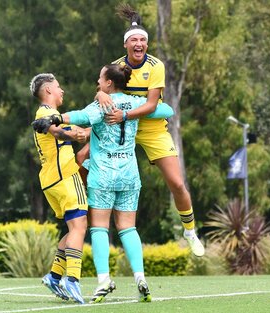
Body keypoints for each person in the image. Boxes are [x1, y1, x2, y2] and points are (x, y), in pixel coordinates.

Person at [33, 64, 174, 303]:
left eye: (100, 79)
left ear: (108, 82)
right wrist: (130, 114)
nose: (97, 83)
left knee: (97, 228)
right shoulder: (135, 103)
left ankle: (101, 280)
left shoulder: (101, 105)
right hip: (129, 174)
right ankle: (140, 277)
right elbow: (166, 109)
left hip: (102, 176)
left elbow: (81, 116)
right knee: (128, 229)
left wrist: (58, 117)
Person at [86, 3, 205, 257]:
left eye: (143, 40)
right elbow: (103, 86)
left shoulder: (156, 66)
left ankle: (190, 230)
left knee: (176, 183)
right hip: (122, 128)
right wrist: (99, 94)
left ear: (147, 45)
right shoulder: (117, 65)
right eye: (134, 40)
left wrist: (124, 114)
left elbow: (152, 105)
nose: (138, 44)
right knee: (83, 156)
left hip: (148, 128)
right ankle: (79, 218)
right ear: (126, 45)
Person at [30, 73, 90, 304]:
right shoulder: (46, 114)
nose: (62, 90)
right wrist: (72, 134)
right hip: (65, 176)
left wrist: (84, 131)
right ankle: (72, 279)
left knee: (73, 228)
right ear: (47, 91)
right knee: (79, 227)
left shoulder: (50, 115)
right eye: (58, 87)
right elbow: (55, 131)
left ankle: (55, 276)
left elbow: (82, 131)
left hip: (50, 180)